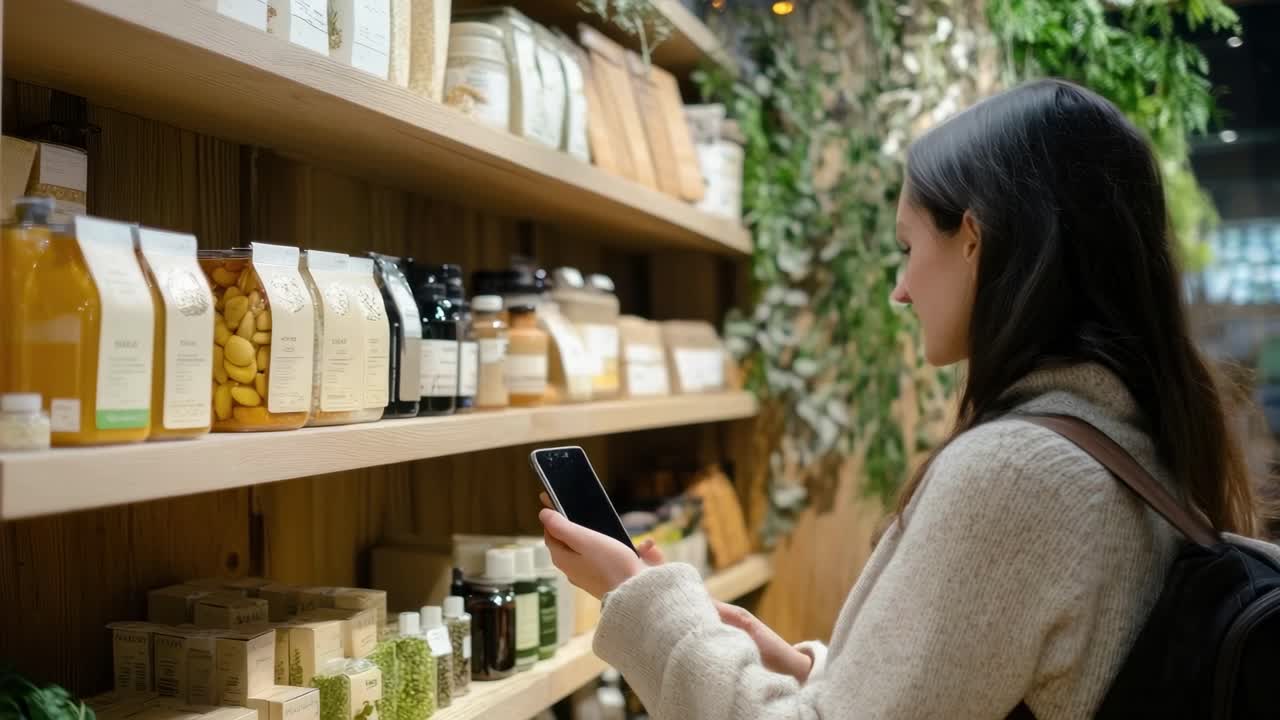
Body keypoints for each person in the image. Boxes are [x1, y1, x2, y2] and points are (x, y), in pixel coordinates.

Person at [539, 78, 1261, 719]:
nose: (901, 287)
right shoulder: (1133, 440)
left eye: (909, 247)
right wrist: (812, 672)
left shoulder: (1018, 474)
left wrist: (640, 602)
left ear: (973, 240)